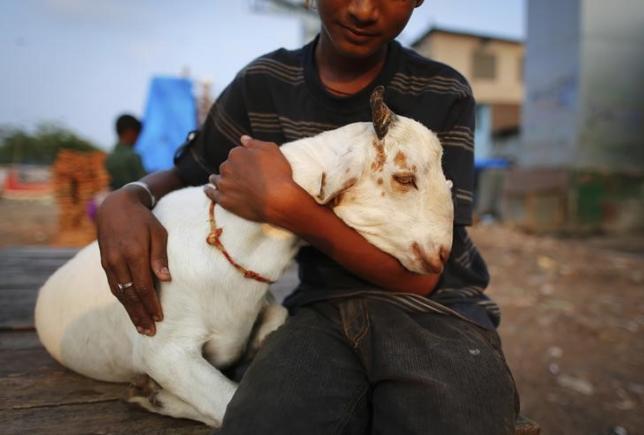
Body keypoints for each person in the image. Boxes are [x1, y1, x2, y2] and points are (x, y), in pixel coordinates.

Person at [96, 1, 519, 433]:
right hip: (320, 311)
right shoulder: (263, 85)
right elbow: (188, 172)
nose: (362, 10)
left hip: (435, 312)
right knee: (263, 422)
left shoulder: (440, 92)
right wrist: (128, 198)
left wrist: (293, 210)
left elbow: (424, 276)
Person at [105, 114, 147, 190]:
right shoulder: (133, 157)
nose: (138, 139)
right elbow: (144, 185)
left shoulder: (108, 159)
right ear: (130, 132)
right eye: (138, 134)